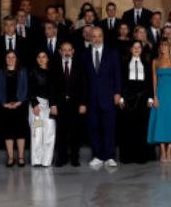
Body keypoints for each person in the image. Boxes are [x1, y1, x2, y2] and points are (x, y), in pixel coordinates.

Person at [83, 27, 122, 168]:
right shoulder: (85, 54)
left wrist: (118, 93)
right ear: (90, 37)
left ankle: (110, 156)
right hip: (91, 98)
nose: (97, 38)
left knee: (109, 127)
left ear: (103, 36)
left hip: (109, 97)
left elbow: (117, 74)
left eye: (99, 36)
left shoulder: (112, 52)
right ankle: (98, 155)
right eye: (94, 36)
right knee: (93, 127)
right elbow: (83, 79)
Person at [147, 38, 171, 162]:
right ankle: (162, 151)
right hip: (160, 95)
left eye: (166, 45)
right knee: (160, 122)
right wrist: (155, 97)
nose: (163, 47)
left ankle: (169, 151)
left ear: (170, 47)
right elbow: (154, 81)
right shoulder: (156, 61)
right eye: (161, 45)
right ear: (159, 47)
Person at [51, 41, 87, 167]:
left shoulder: (79, 65)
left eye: (69, 50)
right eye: (64, 50)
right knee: (61, 132)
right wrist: (53, 105)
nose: (66, 52)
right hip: (59, 105)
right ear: (60, 51)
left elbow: (83, 85)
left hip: (75, 104)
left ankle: (74, 158)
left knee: (75, 132)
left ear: (73, 51)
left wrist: (83, 103)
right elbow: (51, 87)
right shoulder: (54, 65)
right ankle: (61, 158)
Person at [118, 41, 154, 164]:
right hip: (128, 98)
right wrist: (122, 98)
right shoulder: (124, 63)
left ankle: (141, 156)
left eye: (139, 47)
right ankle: (128, 157)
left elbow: (150, 82)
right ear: (130, 49)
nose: (137, 49)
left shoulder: (147, 63)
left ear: (142, 49)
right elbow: (121, 81)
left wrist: (151, 98)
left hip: (143, 98)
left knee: (141, 127)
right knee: (128, 127)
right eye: (134, 47)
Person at [0, 50, 29, 167]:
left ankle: (20, 157)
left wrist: (19, 102)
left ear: (16, 58)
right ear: (5, 59)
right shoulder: (0, 72)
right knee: (8, 132)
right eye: (8, 57)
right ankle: (10, 157)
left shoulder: (23, 71)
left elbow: (25, 88)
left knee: (20, 131)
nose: (10, 59)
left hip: (20, 105)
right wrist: (4, 103)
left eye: (13, 57)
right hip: (5, 106)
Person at [28, 51, 56, 167]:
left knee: (49, 132)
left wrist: (54, 105)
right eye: (39, 57)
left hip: (50, 106)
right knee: (37, 133)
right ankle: (36, 160)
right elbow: (30, 89)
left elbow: (55, 91)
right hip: (37, 106)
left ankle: (46, 161)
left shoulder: (54, 72)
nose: (41, 59)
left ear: (48, 59)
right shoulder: (33, 72)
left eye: (44, 57)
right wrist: (34, 104)